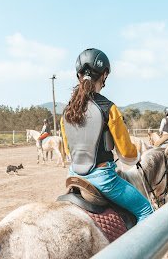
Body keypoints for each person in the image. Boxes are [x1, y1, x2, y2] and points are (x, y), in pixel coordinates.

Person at [60, 48, 153, 222]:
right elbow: (126, 154)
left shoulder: (66, 111)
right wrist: (136, 156)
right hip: (103, 179)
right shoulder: (109, 108)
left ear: (78, 76)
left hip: (73, 175)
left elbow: (68, 150)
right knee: (146, 210)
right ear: (104, 76)